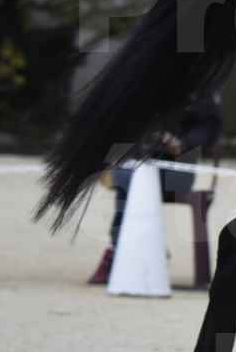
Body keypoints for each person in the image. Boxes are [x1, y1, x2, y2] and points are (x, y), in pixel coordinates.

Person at [88, 87, 224, 285]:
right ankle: (144, 248)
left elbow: (209, 129)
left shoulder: (202, 87)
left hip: (176, 171)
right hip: (141, 163)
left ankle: (117, 252)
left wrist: (181, 144)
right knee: (128, 179)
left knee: (127, 181)